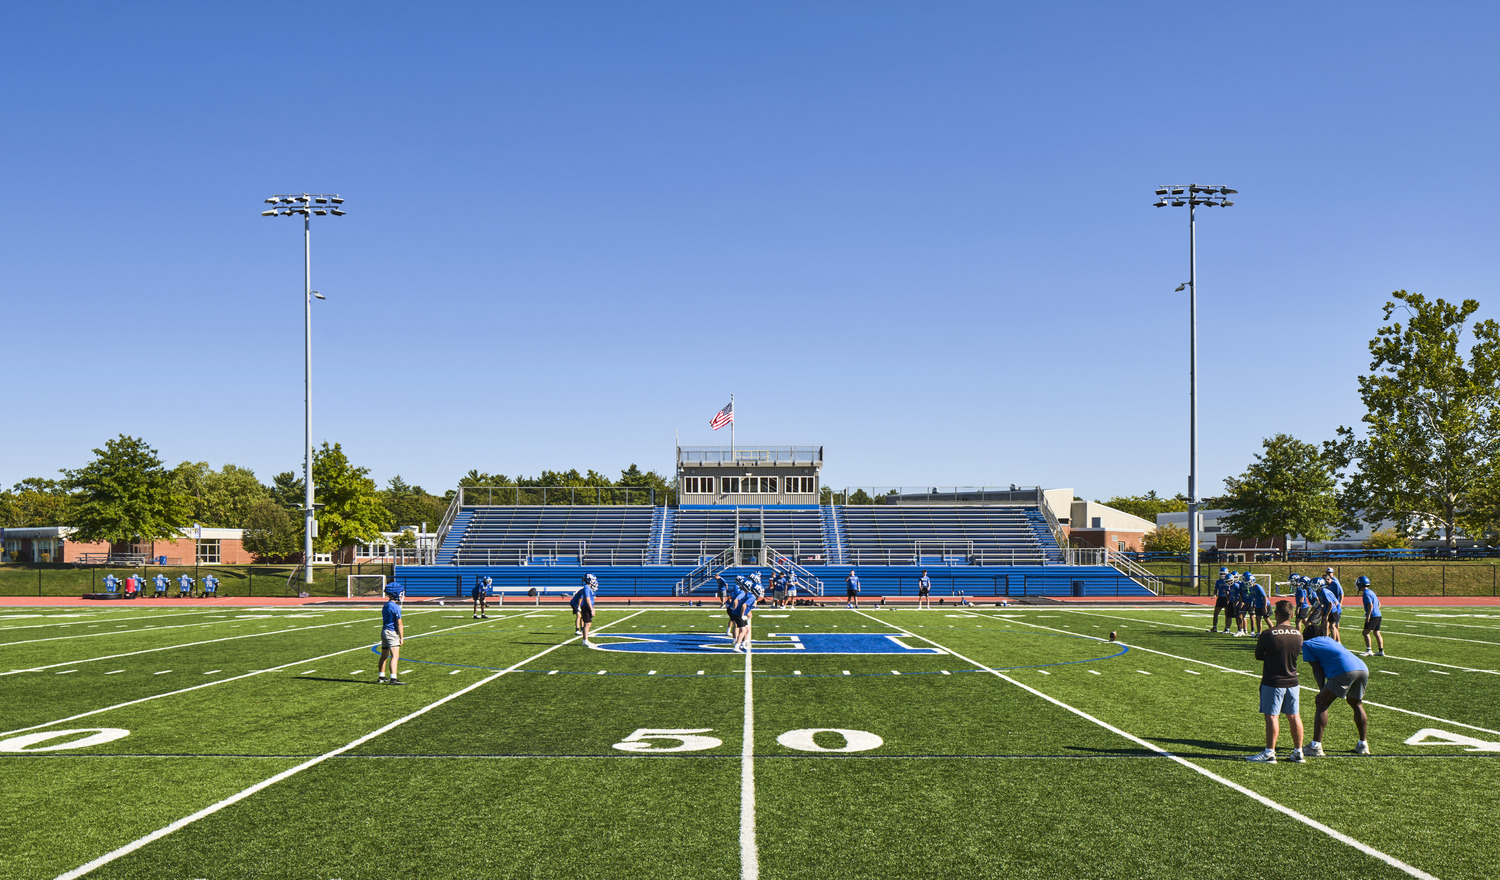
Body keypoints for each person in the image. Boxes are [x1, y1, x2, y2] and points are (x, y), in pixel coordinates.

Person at [1302, 617, 1370, 756]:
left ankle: (1316, 746)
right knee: (1356, 704)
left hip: (1345, 670)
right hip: (1362, 667)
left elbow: (1317, 669)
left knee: (1321, 703)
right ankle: (1363, 744)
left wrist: (1322, 690)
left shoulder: (1307, 644)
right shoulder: (1329, 639)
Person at [1247, 600, 1305, 763]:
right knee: (1294, 716)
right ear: (1291, 616)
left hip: (1273, 681)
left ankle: (1269, 752)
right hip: (1293, 680)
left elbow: (1258, 655)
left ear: (1276, 614)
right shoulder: (1298, 634)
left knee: (1272, 716)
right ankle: (1298, 751)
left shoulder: (1268, 633)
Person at [377, 582, 406, 685]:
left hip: (384, 631)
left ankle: (381, 676)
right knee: (395, 655)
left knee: (384, 655)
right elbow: (399, 623)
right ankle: (393, 678)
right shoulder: (395, 607)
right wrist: (401, 637)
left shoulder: (386, 605)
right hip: (391, 632)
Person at [729, 582, 761, 653]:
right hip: (738, 614)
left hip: (738, 613)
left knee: (748, 628)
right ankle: (736, 646)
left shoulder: (750, 595)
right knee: (743, 630)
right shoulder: (752, 597)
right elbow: (744, 605)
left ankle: (743, 644)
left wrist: (748, 612)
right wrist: (743, 615)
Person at [1359, 576, 1384, 657]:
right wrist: (1375, 610)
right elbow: (1379, 604)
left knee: (1365, 632)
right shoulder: (1371, 592)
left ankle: (1369, 650)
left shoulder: (1366, 593)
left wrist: (1368, 615)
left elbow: (1370, 604)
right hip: (1378, 614)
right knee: (1377, 633)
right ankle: (1380, 650)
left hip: (1373, 615)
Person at [571, 573, 597, 647]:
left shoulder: (588, 588)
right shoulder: (586, 588)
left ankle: (586, 640)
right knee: (587, 623)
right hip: (586, 607)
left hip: (587, 607)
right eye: (593, 579)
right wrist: (591, 609)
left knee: (588, 623)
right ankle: (585, 640)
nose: (594, 581)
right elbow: (587, 599)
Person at [1210, 568, 1232, 633]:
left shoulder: (1228, 580)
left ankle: (1227, 628)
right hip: (1220, 598)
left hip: (1226, 598)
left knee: (1227, 614)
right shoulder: (1218, 581)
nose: (1222, 575)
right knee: (1215, 613)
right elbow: (1216, 589)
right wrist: (1215, 594)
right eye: (1221, 574)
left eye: (1224, 574)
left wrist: (1229, 598)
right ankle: (1214, 627)